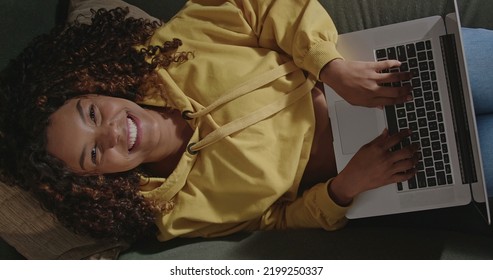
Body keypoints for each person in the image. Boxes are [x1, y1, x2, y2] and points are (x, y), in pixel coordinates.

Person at [0, 0, 481, 243]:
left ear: (91, 87)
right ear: (95, 181)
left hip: (384, 73)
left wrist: (331, 68)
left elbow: (263, 5)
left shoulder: (171, 45)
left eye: (90, 113)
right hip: (396, 165)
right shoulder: (168, 216)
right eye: (93, 153)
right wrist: (346, 188)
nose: (112, 131)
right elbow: (275, 219)